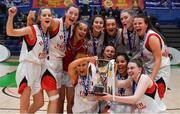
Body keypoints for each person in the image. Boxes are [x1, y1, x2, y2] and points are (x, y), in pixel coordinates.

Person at [26, 4, 80, 113]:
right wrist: (29, 20)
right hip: (47, 62)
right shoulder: (55, 22)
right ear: (65, 13)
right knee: (47, 99)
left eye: (76, 14)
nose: (73, 16)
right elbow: (35, 29)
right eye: (71, 13)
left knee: (55, 99)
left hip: (59, 63)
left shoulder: (73, 27)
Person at [6, 7, 53, 113]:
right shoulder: (31, 29)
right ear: (40, 18)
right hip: (27, 69)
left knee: (39, 102)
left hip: (37, 69)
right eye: (44, 15)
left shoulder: (47, 33)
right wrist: (11, 16)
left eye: (49, 15)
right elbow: (10, 32)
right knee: (24, 108)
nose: (47, 17)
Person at [133, 14, 170, 111]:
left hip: (159, 73)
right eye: (135, 24)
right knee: (147, 101)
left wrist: (151, 79)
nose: (137, 25)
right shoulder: (142, 36)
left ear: (146, 25)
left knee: (157, 101)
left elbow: (158, 59)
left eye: (140, 23)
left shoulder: (152, 37)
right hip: (150, 71)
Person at [97, 59, 162, 113]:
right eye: (128, 68)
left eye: (132, 68)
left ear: (140, 69)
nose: (129, 70)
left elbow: (135, 99)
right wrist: (114, 70)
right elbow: (116, 84)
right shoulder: (131, 79)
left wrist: (111, 97)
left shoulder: (144, 78)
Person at [62, 20, 89, 113]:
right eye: (80, 29)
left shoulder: (85, 46)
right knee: (59, 101)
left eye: (85, 30)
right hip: (60, 72)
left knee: (71, 101)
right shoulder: (65, 39)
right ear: (75, 29)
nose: (82, 32)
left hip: (72, 75)